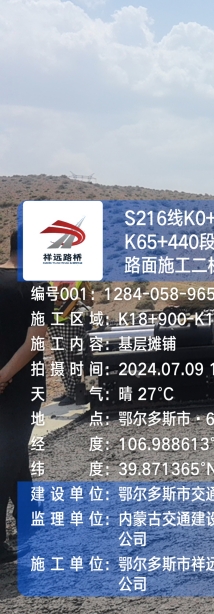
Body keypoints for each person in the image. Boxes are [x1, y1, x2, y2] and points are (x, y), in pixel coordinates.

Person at [0, 230, 52, 563]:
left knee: (14, 452)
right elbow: (34, 341)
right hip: (20, 386)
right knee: (7, 460)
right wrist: (5, 375)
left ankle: (31, 522)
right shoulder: (36, 286)